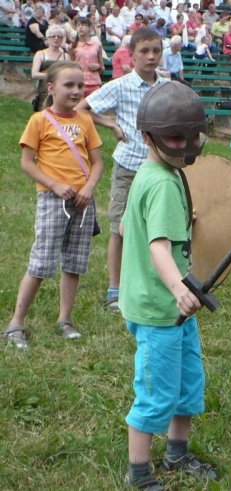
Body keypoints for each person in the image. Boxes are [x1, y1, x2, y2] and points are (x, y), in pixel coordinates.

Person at [120, 81, 217, 490]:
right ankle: (139, 473)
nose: (186, 145)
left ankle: (177, 453)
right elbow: (158, 247)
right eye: (175, 137)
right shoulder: (161, 182)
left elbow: (129, 226)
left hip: (176, 309)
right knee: (156, 392)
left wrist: (179, 217)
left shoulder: (163, 172)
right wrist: (179, 288)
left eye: (192, 135)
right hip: (162, 309)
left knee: (188, 383)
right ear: (148, 137)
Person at [3, 61, 103, 349]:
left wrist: (89, 187)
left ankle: (65, 318)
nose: (76, 91)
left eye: (80, 86)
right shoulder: (39, 121)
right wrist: (55, 185)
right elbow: (26, 163)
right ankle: (16, 323)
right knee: (42, 261)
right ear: (51, 87)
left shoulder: (84, 121)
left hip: (84, 201)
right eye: (69, 85)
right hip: (52, 200)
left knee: (74, 262)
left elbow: (97, 162)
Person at [75, 28, 169, 311]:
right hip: (129, 166)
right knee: (119, 226)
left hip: (159, 168)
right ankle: (115, 289)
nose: (151, 56)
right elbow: (83, 108)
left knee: (156, 227)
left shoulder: (166, 86)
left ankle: (153, 281)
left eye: (156, 50)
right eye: (145, 51)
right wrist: (111, 124)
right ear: (131, 55)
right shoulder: (121, 85)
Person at [30, 25, 70, 112]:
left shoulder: (66, 56)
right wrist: (54, 76)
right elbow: (34, 74)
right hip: (43, 90)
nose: (56, 38)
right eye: (53, 36)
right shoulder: (40, 54)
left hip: (60, 91)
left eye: (59, 36)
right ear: (47, 38)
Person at [71, 17, 104, 97]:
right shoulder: (72, 46)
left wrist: (98, 66)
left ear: (90, 28)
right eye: (78, 25)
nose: (80, 27)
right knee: (78, 108)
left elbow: (102, 68)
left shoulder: (97, 45)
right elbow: (70, 66)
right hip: (78, 82)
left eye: (83, 25)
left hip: (94, 82)